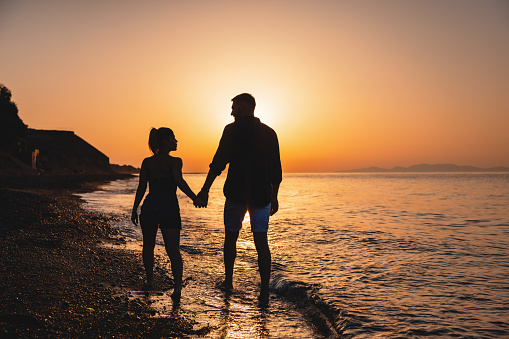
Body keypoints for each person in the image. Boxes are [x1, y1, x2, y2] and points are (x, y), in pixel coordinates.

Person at [197, 93, 282, 305]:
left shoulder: (231, 130)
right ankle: (264, 293)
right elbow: (276, 168)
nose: (231, 112)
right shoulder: (270, 133)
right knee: (261, 242)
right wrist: (274, 196)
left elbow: (218, 162)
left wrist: (205, 189)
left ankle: (228, 280)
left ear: (243, 107)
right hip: (261, 195)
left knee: (230, 238)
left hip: (235, 193)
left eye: (234, 107)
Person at [131, 127, 202, 302]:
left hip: (150, 207)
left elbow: (142, 187)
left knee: (148, 246)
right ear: (164, 141)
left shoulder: (147, 162)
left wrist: (135, 208)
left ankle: (149, 281)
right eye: (173, 138)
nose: (176, 141)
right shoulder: (175, 161)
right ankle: (177, 289)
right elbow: (179, 181)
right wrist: (195, 198)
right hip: (168, 208)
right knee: (173, 250)